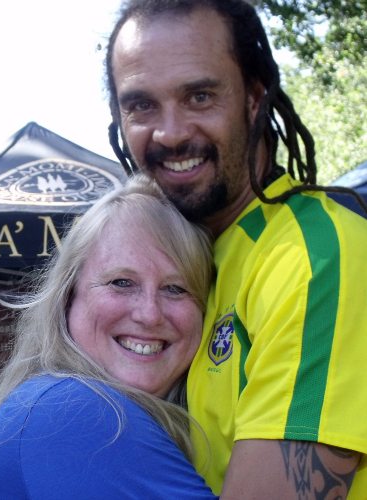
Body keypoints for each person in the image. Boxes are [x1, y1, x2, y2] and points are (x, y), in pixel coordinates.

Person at [105, 0, 367, 498]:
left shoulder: (312, 257)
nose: (171, 132)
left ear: (254, 97)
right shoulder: (195, 266)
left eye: (200, 96)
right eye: (141, 105)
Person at [0, 175, 217, 499]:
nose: (149, 313)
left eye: (176, 288)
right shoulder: (78, 415)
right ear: (68, 297)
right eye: (122, 282)